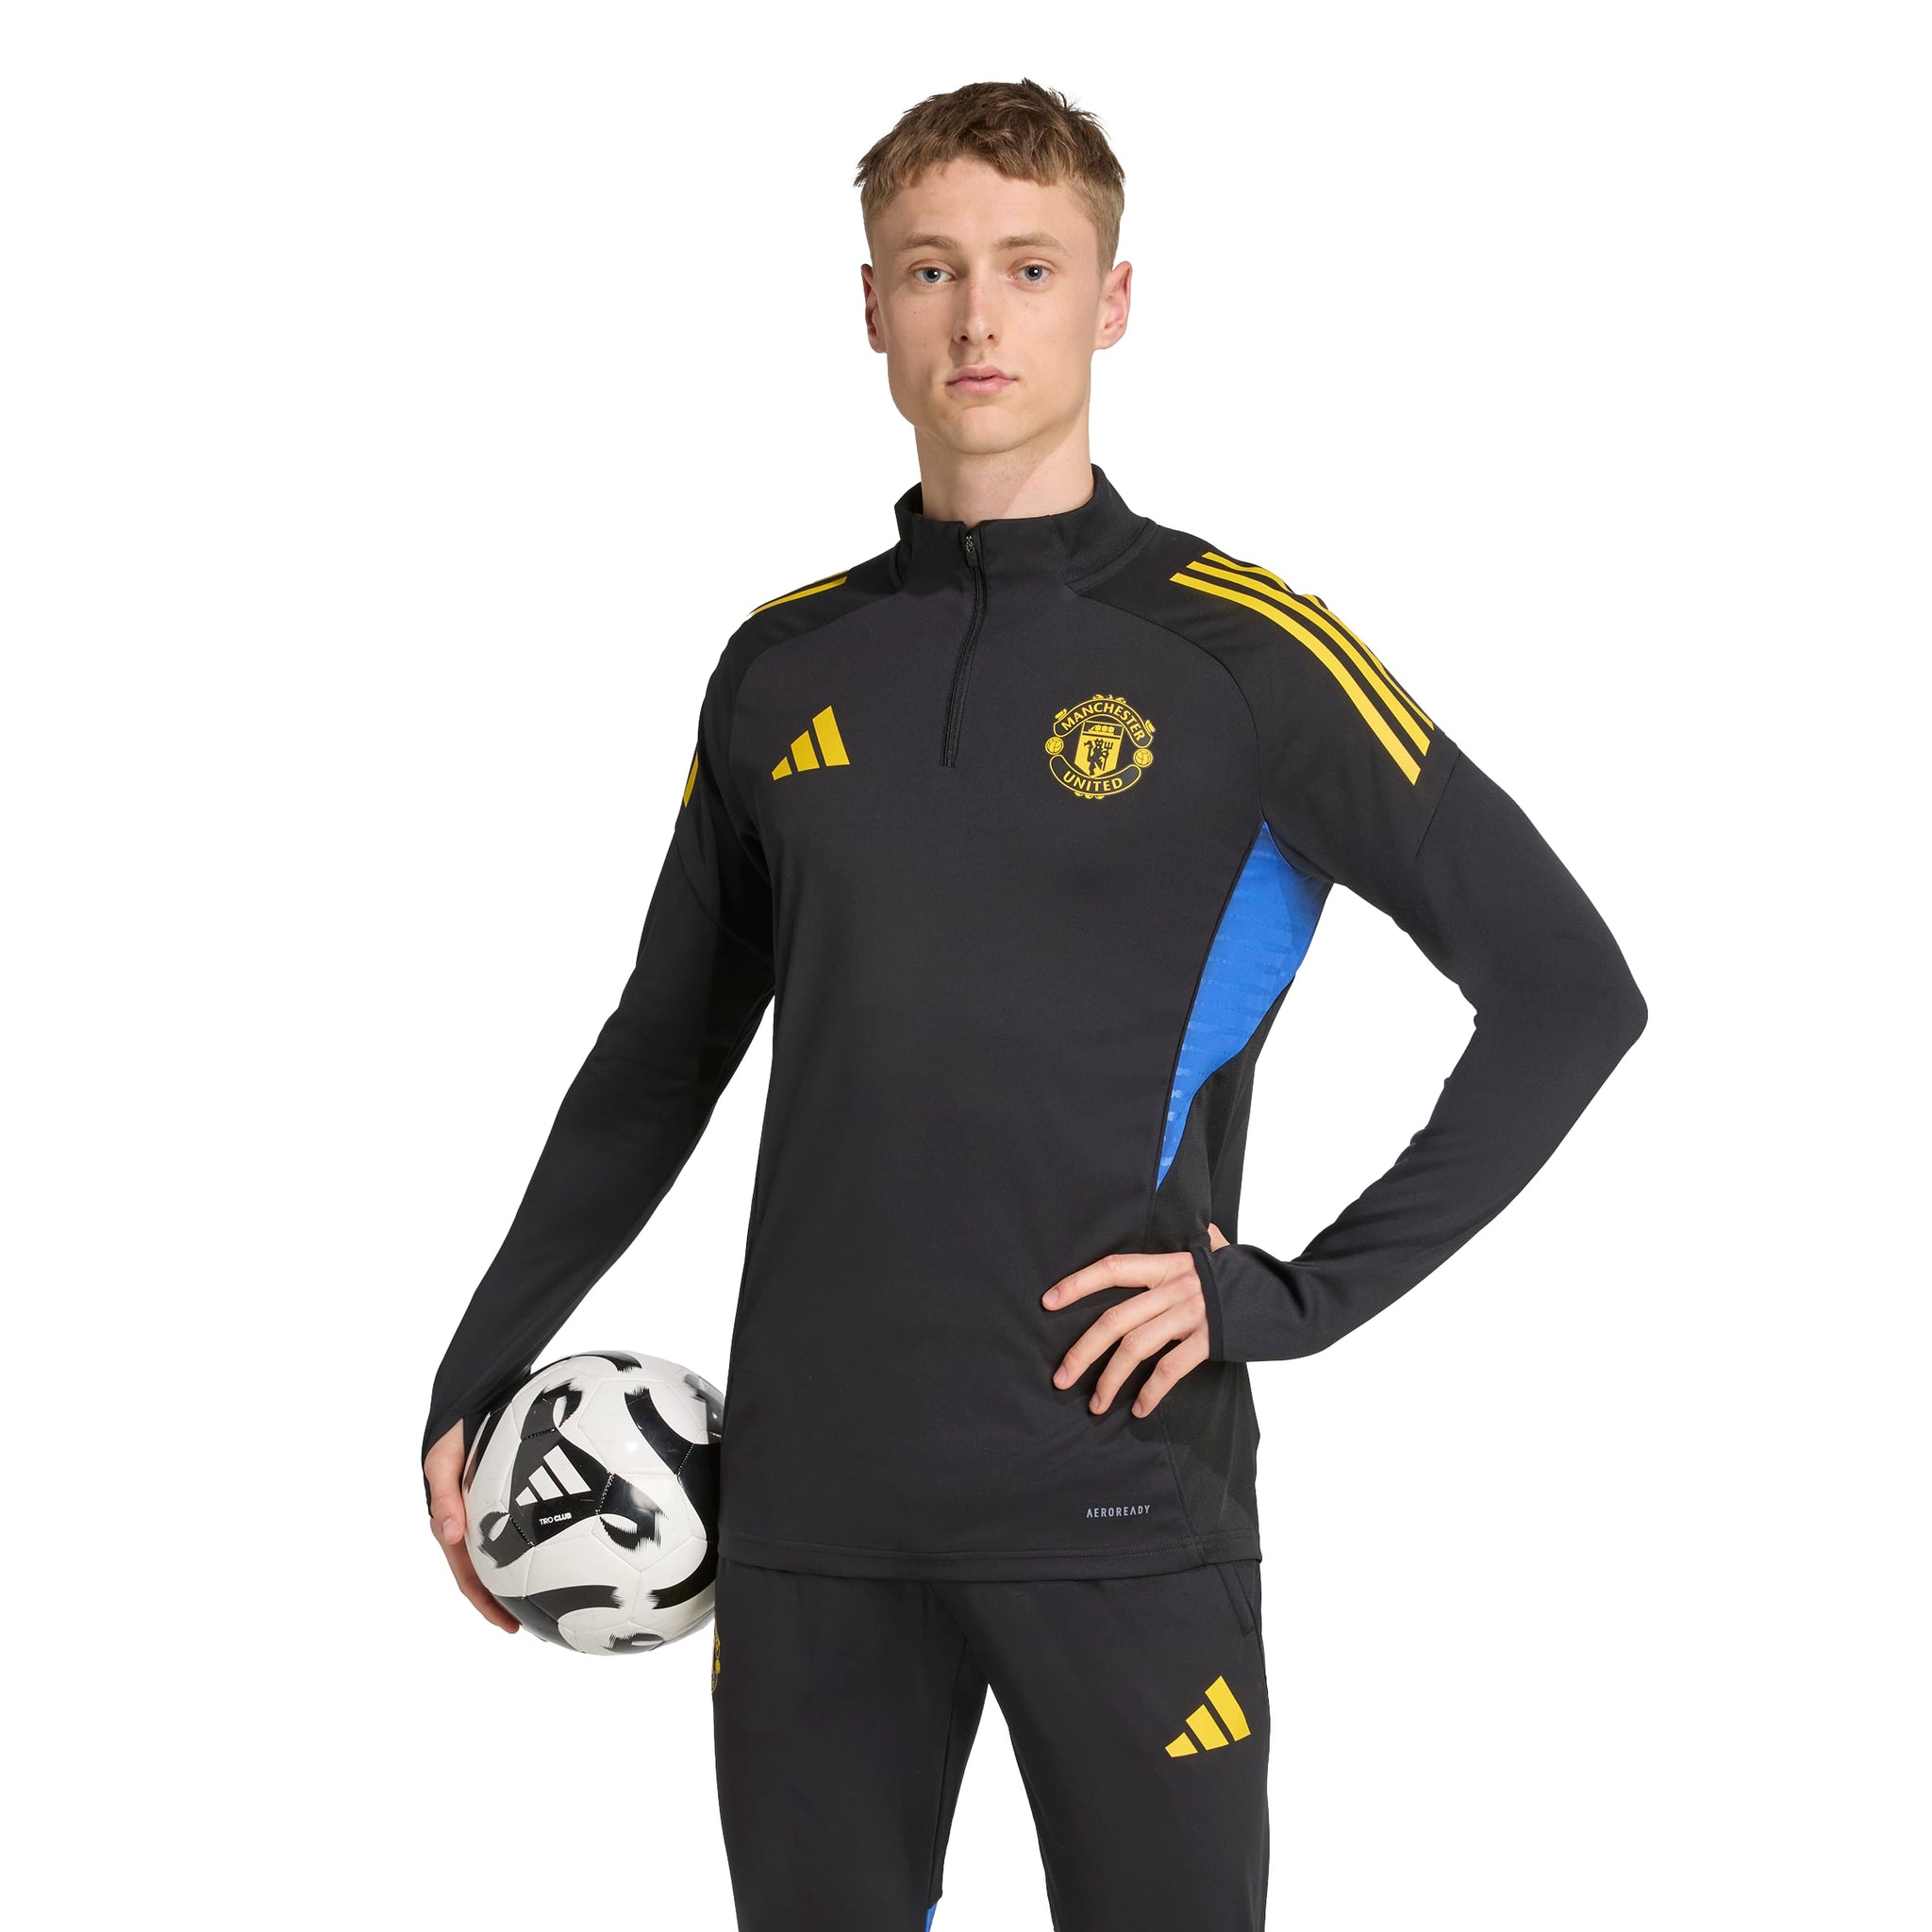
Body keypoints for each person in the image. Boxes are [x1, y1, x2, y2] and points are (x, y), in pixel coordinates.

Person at [421, 77, 1646, 1931]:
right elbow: (660, 1055)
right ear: (870, 307)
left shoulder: (1244, 656)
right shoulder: (780, 667)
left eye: (1028, 266)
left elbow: (1567, 993)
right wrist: (481, 1362)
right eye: (930, 269)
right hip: (811, 1516)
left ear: (1112, 300)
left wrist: (1290, 1298)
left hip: (1116, 1505)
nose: (977, 317)